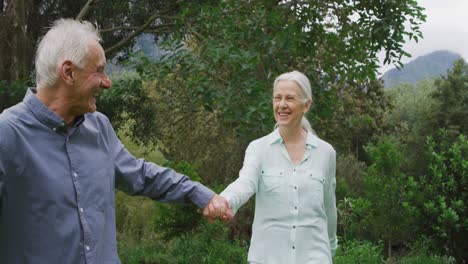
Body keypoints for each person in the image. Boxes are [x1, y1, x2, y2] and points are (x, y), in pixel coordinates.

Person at [0, 18, 232, 263]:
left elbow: (141, 175)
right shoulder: (8, 134)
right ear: (68, 72)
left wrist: (198, 192)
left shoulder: (99, 128)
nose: (107, 82)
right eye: (98, 70)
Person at [215, 71, 338, 263]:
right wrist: (224, 201)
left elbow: (329, 207)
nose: (282, 105)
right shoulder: (258, 149)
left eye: (289, 98)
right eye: (277, 98)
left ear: (306, 105)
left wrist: (331, 247)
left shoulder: (326, 153)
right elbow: (245, 183)